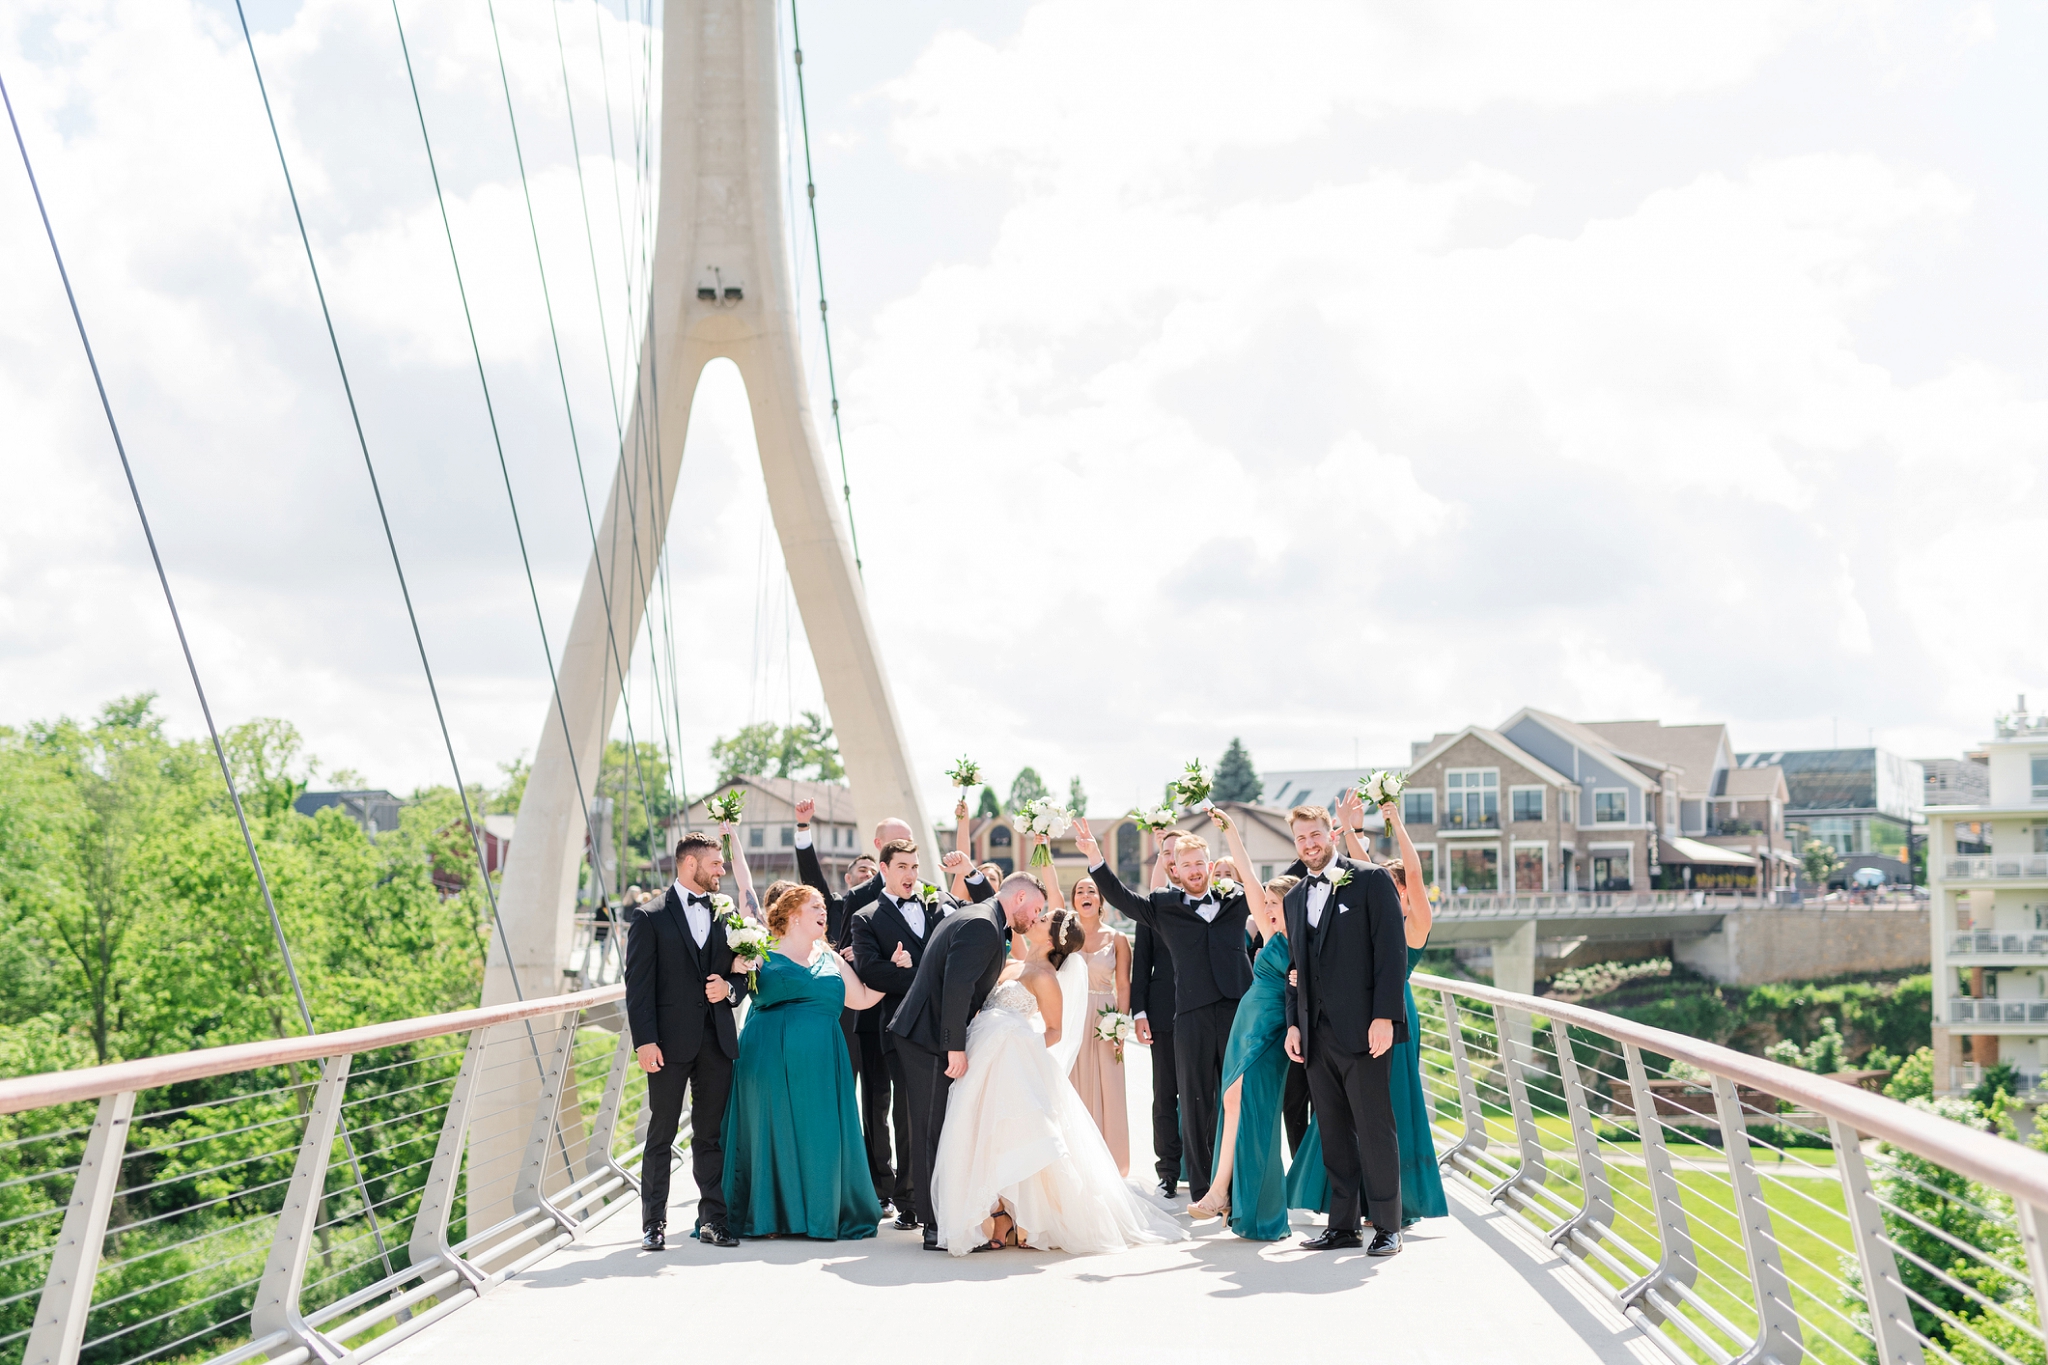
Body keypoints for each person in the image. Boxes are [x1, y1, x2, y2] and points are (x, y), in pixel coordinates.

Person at [927, 872, 1185, 1256]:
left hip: (1011, 1059)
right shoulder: (1013, 964)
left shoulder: (1046, 977)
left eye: (1044, 918)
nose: (1037, 917)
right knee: (985, 1131)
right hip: (985, 1052)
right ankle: (1000, 1210)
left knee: (1014, 1133)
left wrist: (1017, 1041)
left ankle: (1018, 1215)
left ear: (1051, 940)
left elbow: (1054, 1031)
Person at [1074, 816, 1252, 1205]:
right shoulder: (1163, 906)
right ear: (1175, 869)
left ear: (1209, 865)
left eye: (1199, 863)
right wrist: (1095, 858)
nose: (1194, 870)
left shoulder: (1235, 898)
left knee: (1238, 1098)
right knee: (1195, 1102)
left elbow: (1273, 892)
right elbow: (1122, 898)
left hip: (1236, 1010)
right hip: (1189, 1014)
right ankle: (1204, 1192)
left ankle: (1239, 1185)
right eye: (1185, 864)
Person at [722, 884, 899, 1239]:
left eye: (823, 907)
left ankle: (821, 1213)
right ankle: (770, 1217)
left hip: (823, 1062)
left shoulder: (832, 958)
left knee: (820, 1134)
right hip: (767, 1059)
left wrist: (892, 970)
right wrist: (736, 968)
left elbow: (862, 999)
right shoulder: (761, 952)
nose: (823, 912)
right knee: (772, 1132)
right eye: (815, 906)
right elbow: (734, 989)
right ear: (792, 915)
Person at [888, 869, 1049, 1251]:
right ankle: (934, 1226)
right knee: (931, 1130)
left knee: (937, 1127)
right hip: (927, 1038)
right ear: (1020, 898)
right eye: (1037, 908)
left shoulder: (982, 917)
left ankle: (940, 1218)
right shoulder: (982, 924)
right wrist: (954, 1047)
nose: (1036, 918)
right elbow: (957, 987)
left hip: (926, 1034)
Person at [1282, 804, 1408, 1255]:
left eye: (1315, 834)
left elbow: (1391, 952)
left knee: (1375, 1129)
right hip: (1315, 1035)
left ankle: (1389, 1226)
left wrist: (1385, 1017)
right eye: (1301, 838)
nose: (1309, 844)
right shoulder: (1294, 897)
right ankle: (1343, 1226)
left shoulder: (1371, 879)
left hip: (1364, 1030)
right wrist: (1293, 1025)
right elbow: (1295, 969)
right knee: (1333, 1133)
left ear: (1331, 834)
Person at [854, 837, 992, 1239]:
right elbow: (870, 970)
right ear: (884, 869)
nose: (911, 875)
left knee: (952, 1112)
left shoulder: (940, 902)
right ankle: (912, 1202)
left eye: (915, 867)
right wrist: (924, 975)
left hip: (955, 1028)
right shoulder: (866, 917)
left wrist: (971, 874)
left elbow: (989, 914)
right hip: (903, 1031)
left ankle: (950, 1197)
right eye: (902, 867)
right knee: (912, 1115)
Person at [623, 830, 751, 1251]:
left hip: (717, 1042)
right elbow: (638, 987)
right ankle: (653, 1224)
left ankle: (714, 1219)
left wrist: (729, 989)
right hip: (668, 1044)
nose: (721, 871)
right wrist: (645, 1041)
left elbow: (742, 973)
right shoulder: (649, 917)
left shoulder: (727, 914)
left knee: (710, 1135)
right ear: (690, 863)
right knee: (661, 1133)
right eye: (715, 863)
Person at [1177, 810, 1299, 1240]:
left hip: (1271, 1032)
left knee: (1249, 1108)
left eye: (1274, 904)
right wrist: (1230, 833)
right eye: (1267, 903)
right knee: (1232, 1101)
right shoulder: (1272, 932)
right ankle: (1223, 1192)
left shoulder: (1307, 945)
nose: (1266, 908)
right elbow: (1247, 878)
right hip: (1245, 1027)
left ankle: (1232, 1198)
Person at [793, 799, 893, 1211]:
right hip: (843, 1017)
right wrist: (803, 830)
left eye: (873, 869)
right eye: (862, 871)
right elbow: (811, 877)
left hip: (882, 1015)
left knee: (878, 1102)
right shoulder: (837, 906)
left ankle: (882, 1185)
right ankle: (835, 1182)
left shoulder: (894, 908)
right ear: (850, 879)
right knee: (838, 1098)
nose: (868, 874)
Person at [1046, 867, 1132, 1175]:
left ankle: (1112, 1162)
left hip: (1104, 1018)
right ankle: (1074, 1161)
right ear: (1074, 901)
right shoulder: (1065, 937)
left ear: (1100, 900)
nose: (1086, 895)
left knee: (1110, 1087)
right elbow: (1053, 896)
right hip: (1071, 1016)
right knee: (1071, 1083)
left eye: (1091, 890)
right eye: (1080, 891)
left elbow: (1124, 985)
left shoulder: (1118, 938)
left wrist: (1121, 1025)